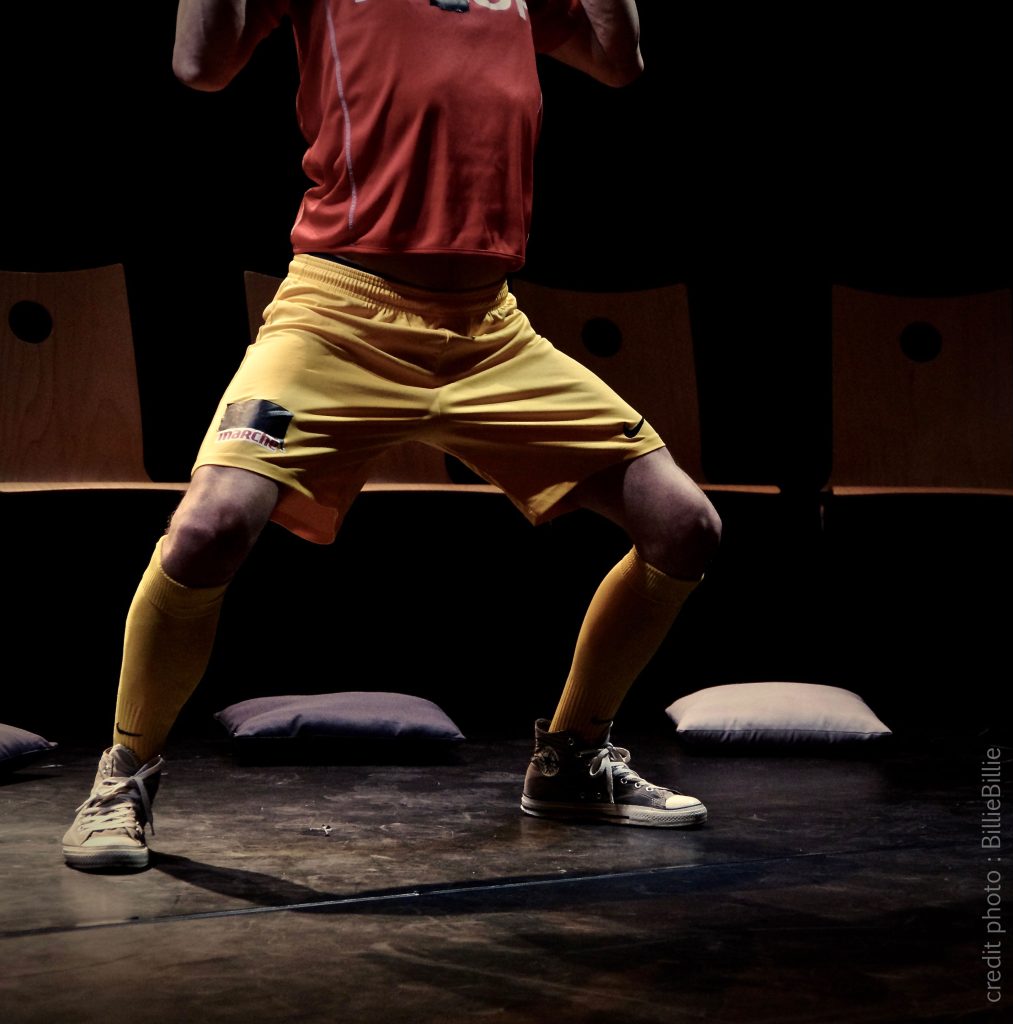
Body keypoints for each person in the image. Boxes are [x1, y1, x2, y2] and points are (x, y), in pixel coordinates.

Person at [62, 0, 721, 871]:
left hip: (489, 332)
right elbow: (200, 64)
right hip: (338, 316)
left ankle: (571, 760)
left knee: (684, 525)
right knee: (208, 527)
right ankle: (121, 778)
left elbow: (617, 57)